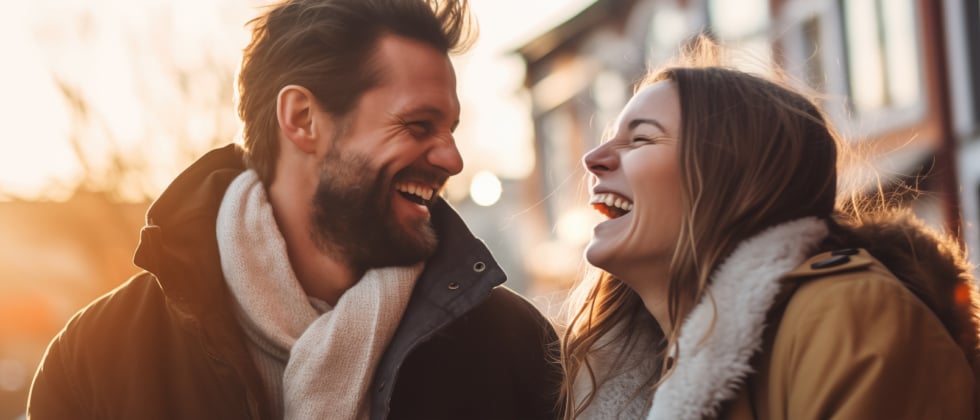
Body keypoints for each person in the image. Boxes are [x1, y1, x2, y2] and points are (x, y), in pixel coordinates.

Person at [27, 0, 562, 419]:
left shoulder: (516, 349)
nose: (452, 158)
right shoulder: (95, 358)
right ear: (303, 118)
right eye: (418, 126)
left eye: (451, 130)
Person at [560, 46, 980, 419]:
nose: (593, 158)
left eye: (640, 139)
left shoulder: (848, 314)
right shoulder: (628, 375)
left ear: (736, 178)